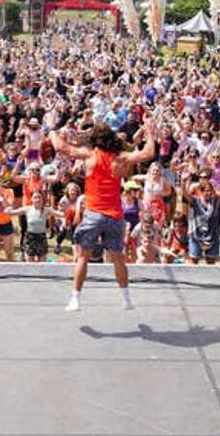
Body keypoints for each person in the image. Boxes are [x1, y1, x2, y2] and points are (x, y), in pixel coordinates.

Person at [51, 121, 155, 311]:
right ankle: (126, 299)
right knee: (118, 258)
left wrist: (51, 129)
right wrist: (150, 133)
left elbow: (61, 147)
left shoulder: (90, 155)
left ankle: (76, 299)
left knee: (83, 256)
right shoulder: (120, 157)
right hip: (114, 215)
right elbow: (147, 154)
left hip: (94, 214)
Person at [181, 170, 220, 265]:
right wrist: (183, 182)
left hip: (212, 234)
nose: (208, 193)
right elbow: (185, 194)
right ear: (202, 192)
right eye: (206, 191)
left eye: (210, 191)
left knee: (211, 262)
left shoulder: (215, 201)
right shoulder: (195, 201)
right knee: (194, 261)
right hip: (196, 234)